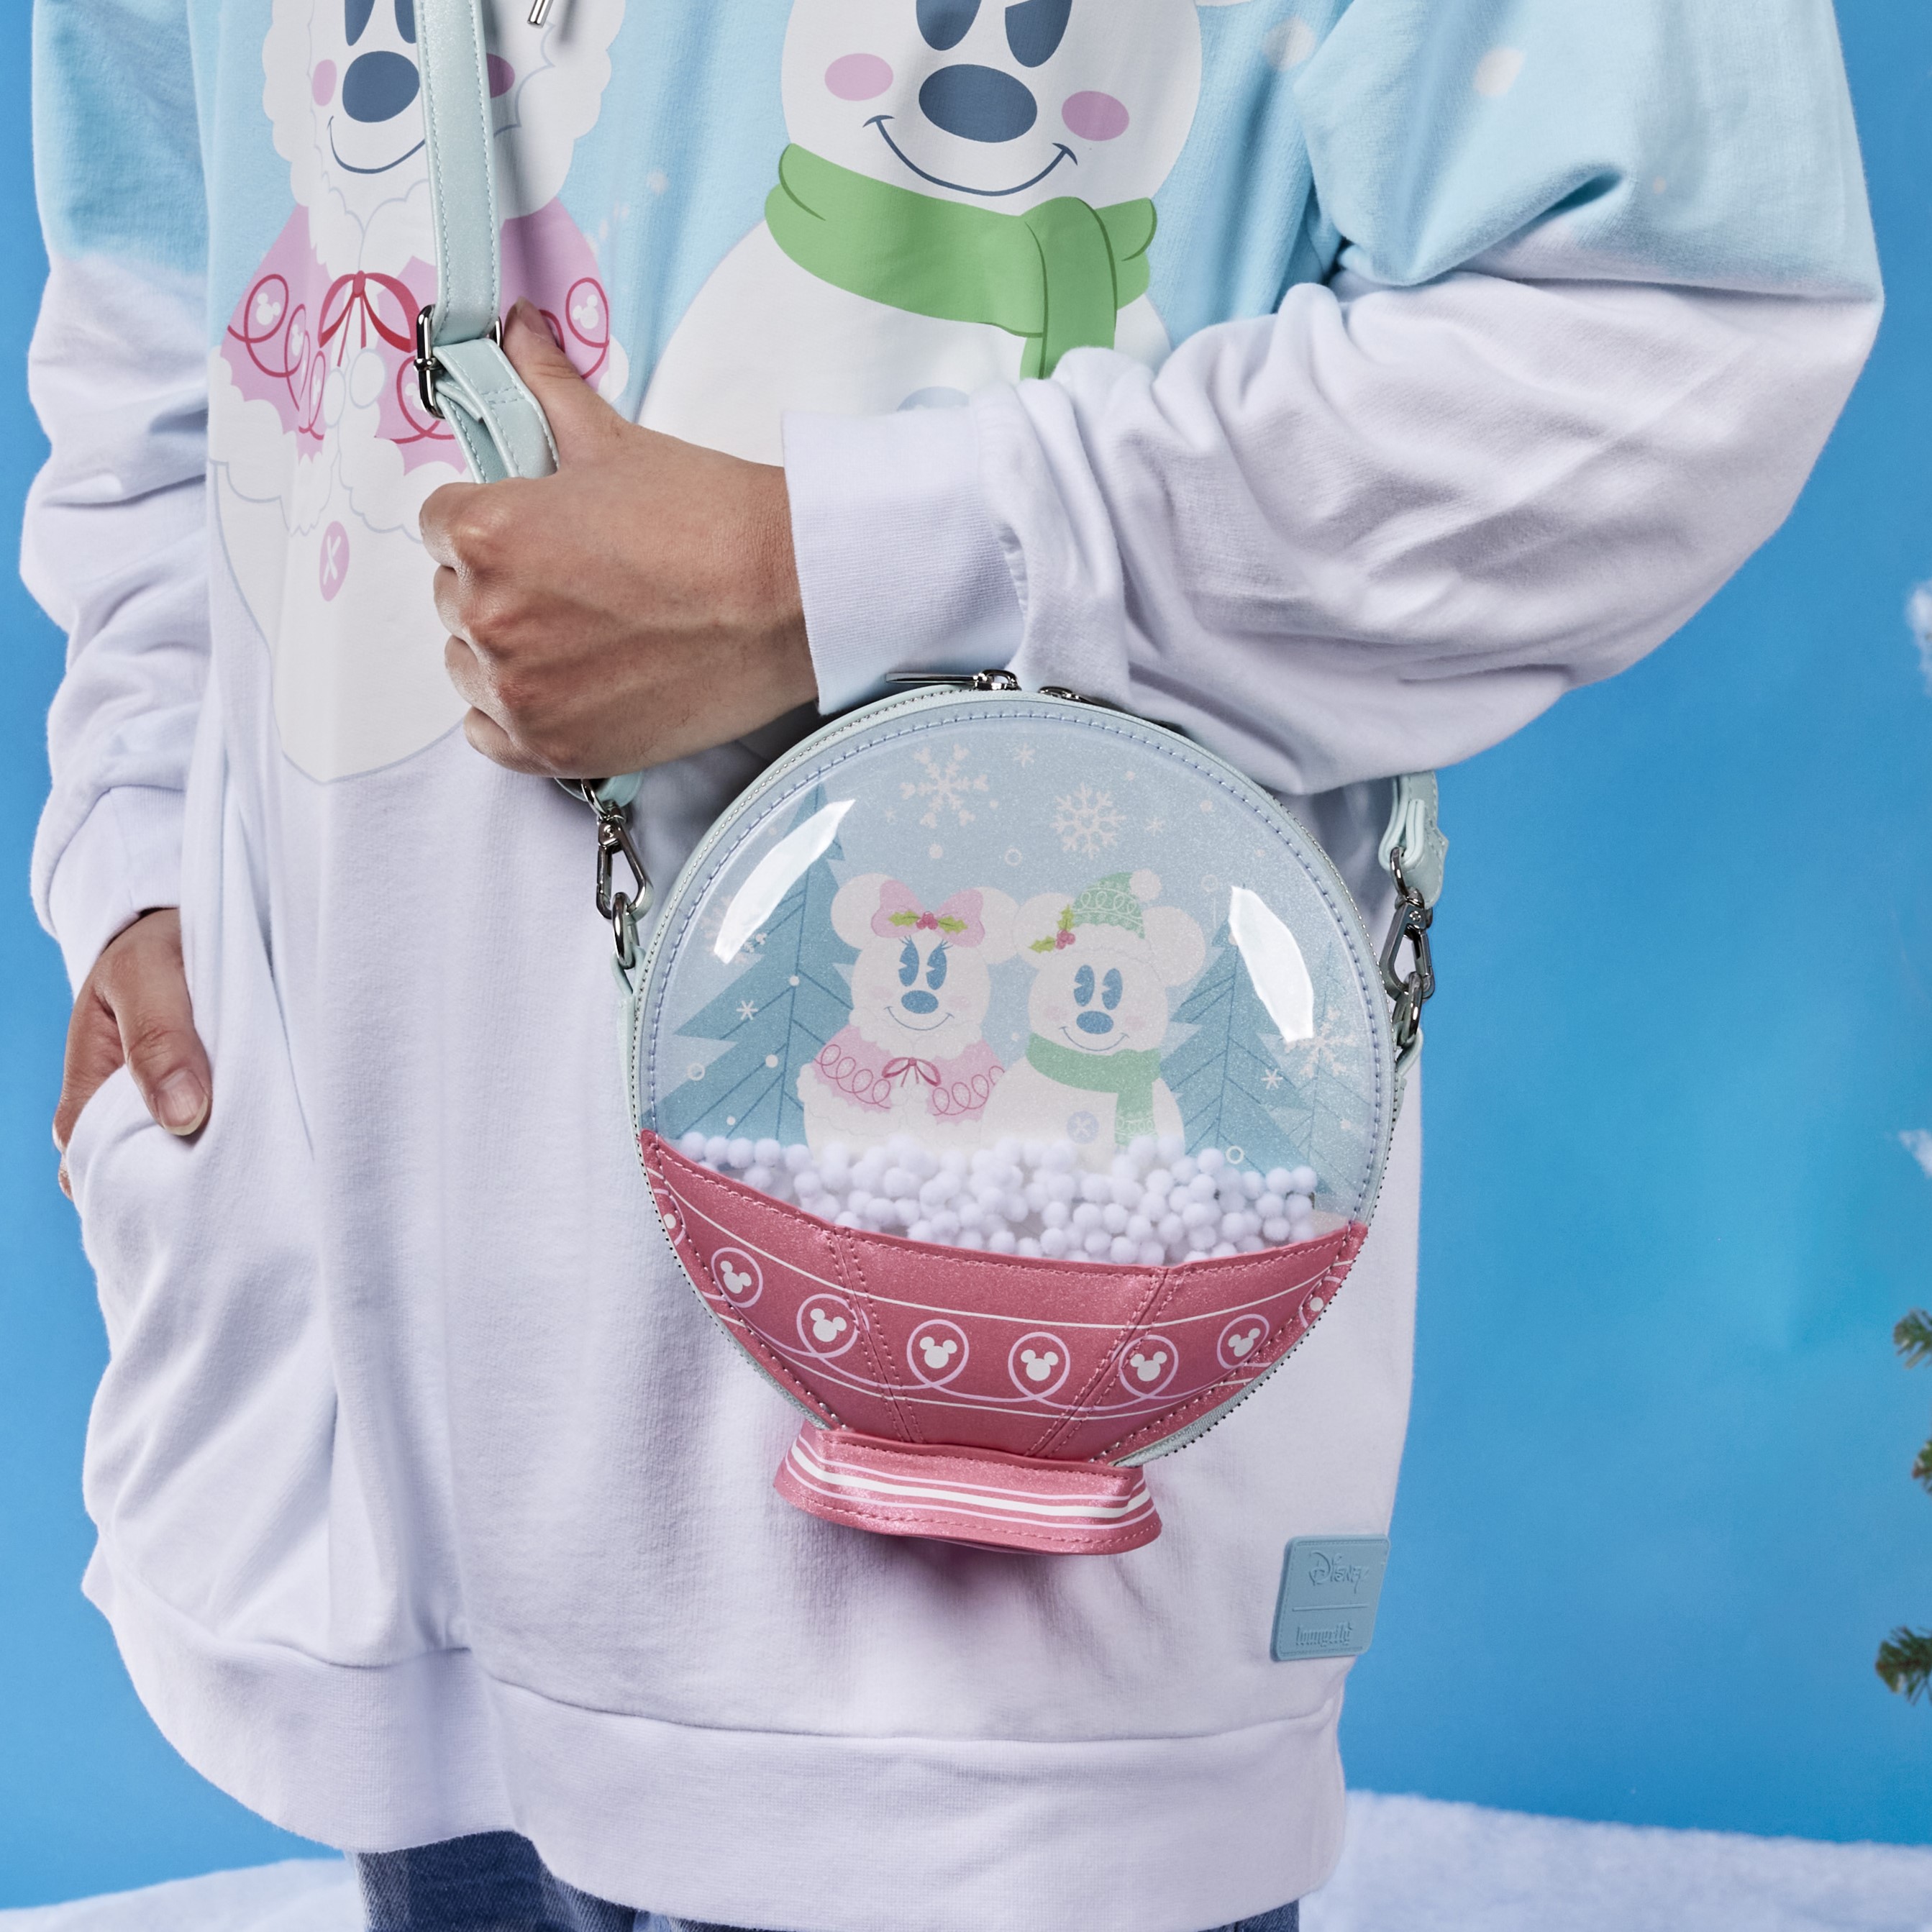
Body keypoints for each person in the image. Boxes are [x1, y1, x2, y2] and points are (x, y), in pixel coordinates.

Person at [29, 1, 1877, 1928]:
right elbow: (155, 279)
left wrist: (826, 567)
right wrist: (138, 844)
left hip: (992, 1544)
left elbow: (1669, 320)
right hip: (380, 1424)